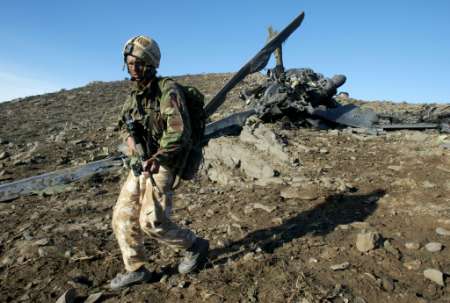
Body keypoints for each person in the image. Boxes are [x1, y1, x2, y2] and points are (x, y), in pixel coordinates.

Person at [110, 35, 209, 290]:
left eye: (138, 62)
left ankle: (195, 246)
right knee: (122, 217)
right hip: (140, 162)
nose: (133, 67)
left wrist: (158, 158)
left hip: (164, 161)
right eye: (130, 62)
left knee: (152, 222)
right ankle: (137, 269)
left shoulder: (168, 90)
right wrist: (130, 141)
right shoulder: (133, 99)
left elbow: (179, 132)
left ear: (151, 64)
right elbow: (123, 126)